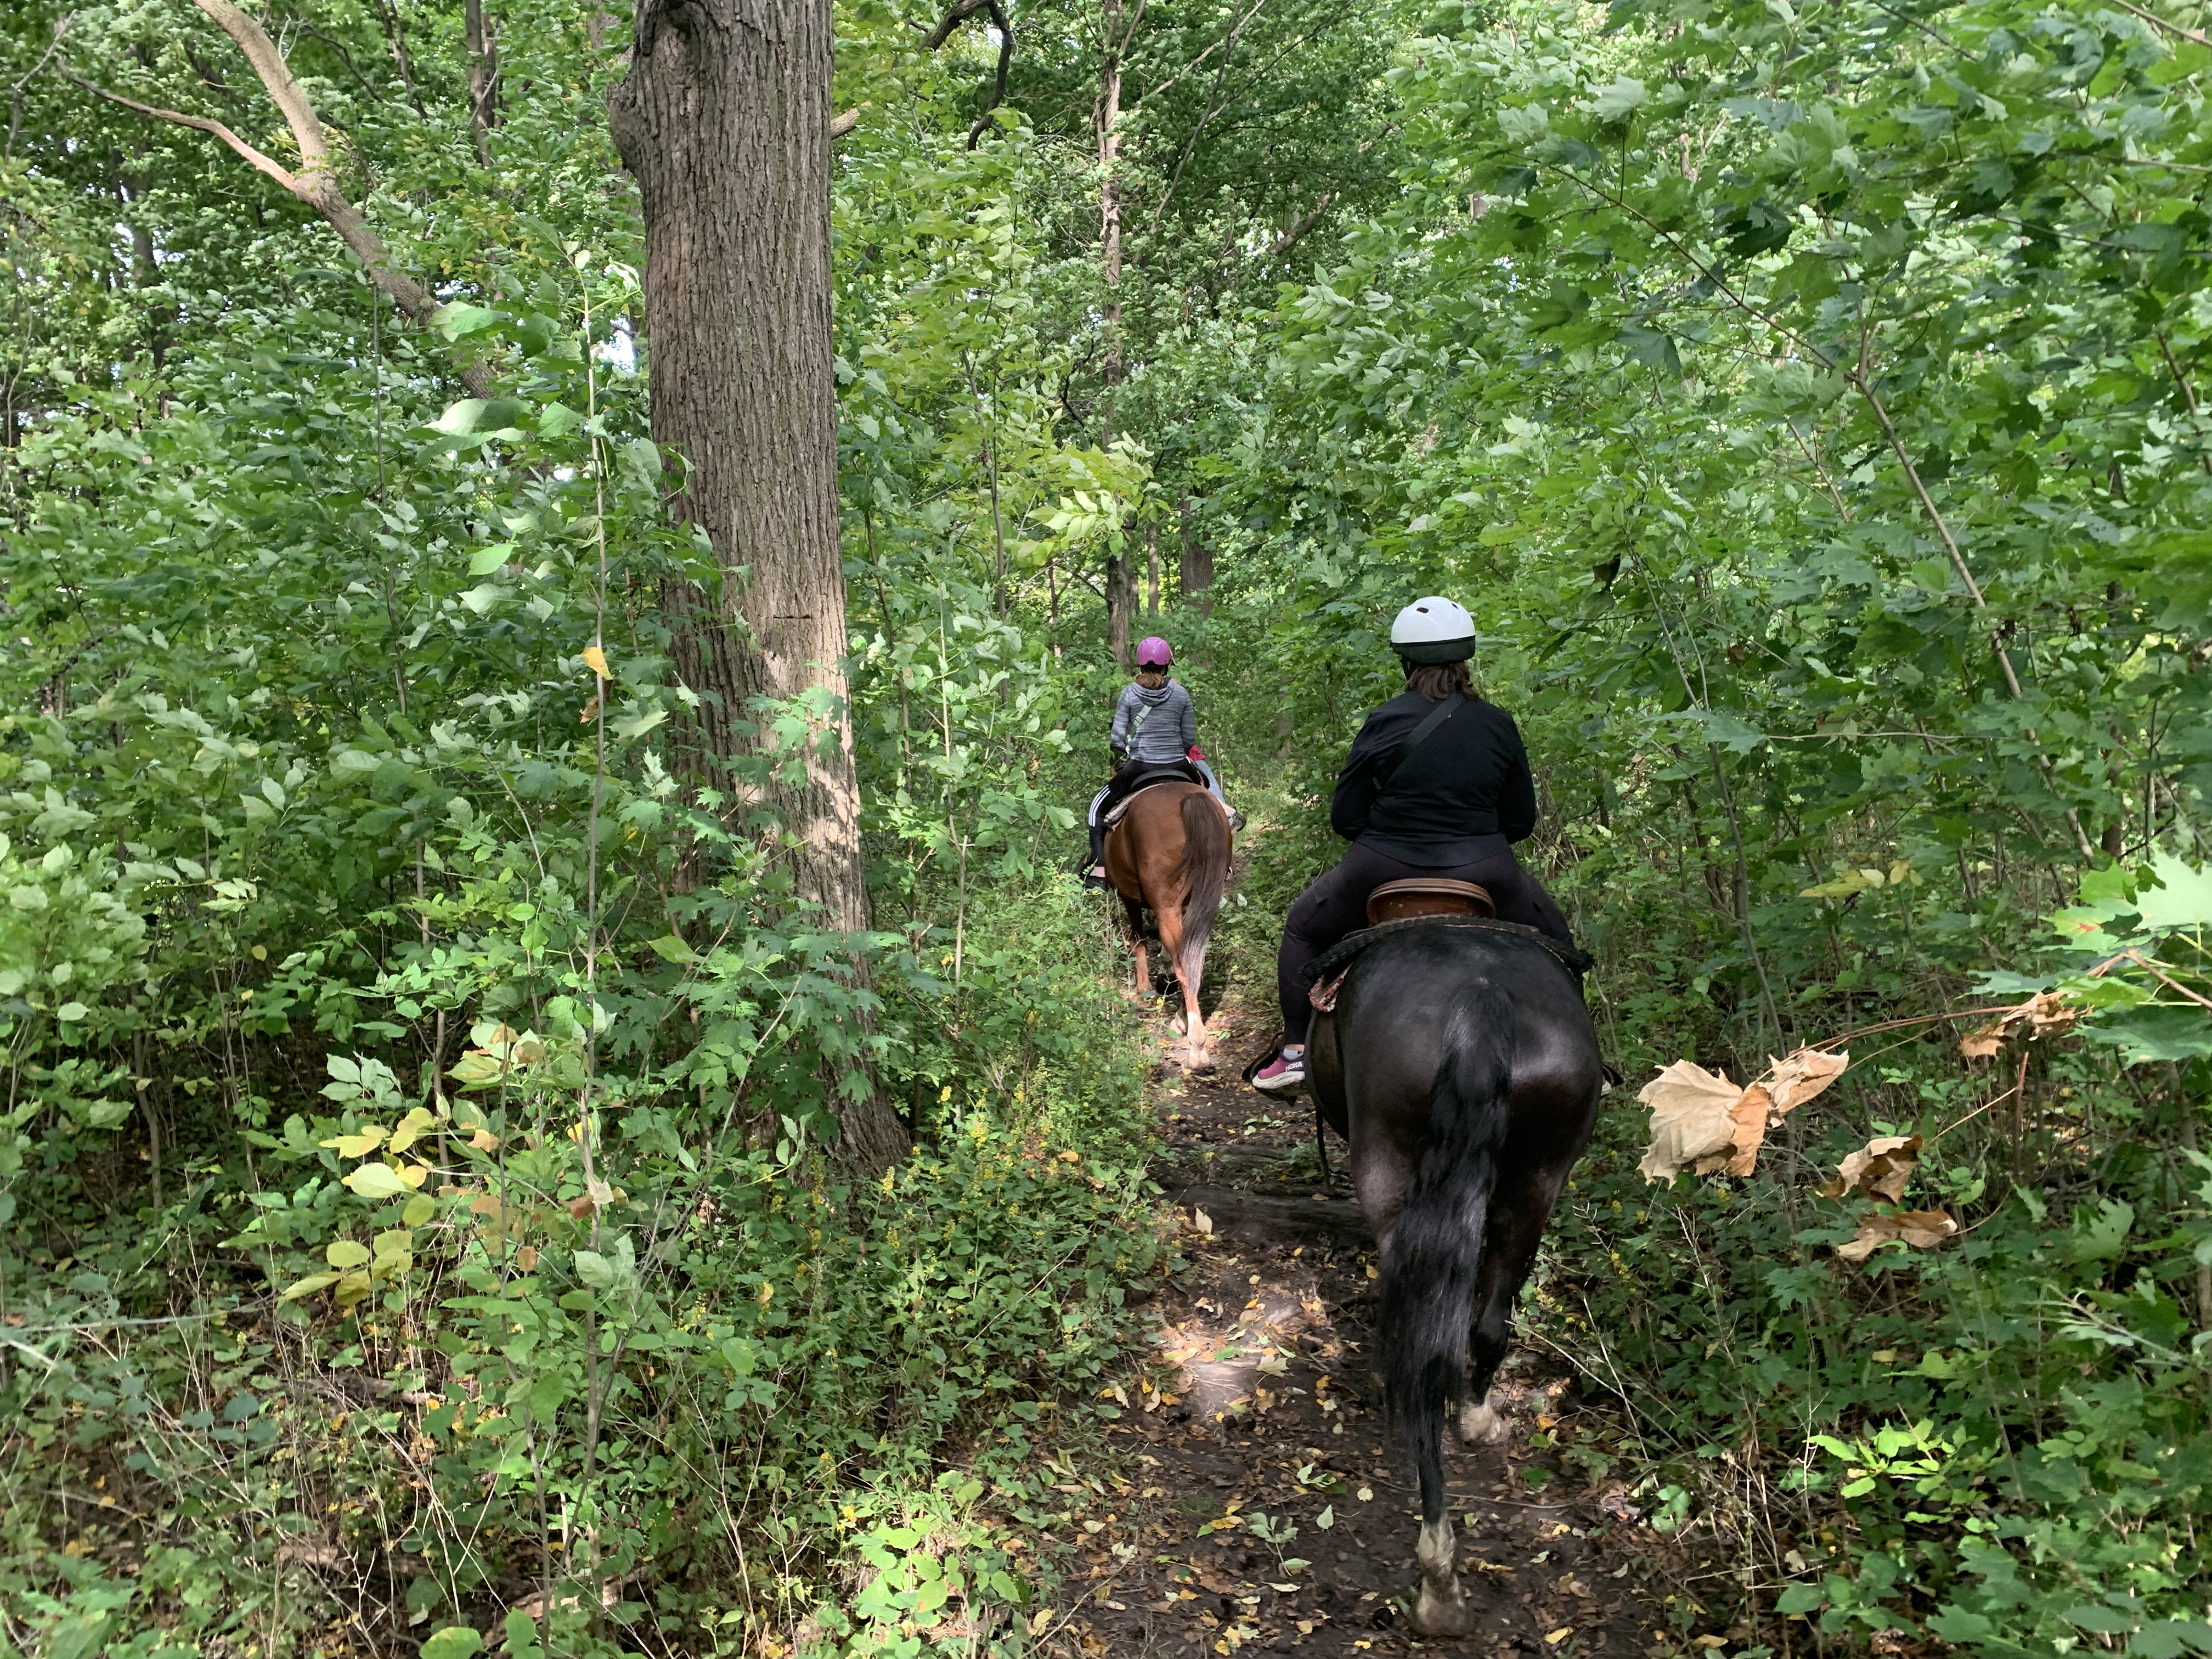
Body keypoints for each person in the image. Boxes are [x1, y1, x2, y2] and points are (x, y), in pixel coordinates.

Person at [1250, 597, 1575, 1092]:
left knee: (1303, 930)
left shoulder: (1384, 721)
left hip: (1380, 867)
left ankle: (1296, 1052)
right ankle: (1584, 1064)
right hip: (1485, 868)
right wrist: (1475, 843)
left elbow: (1346, 817)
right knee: (1559, 941)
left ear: (1405, 661)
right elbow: (1521, 820)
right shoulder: (1497, 724)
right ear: (1464, 660)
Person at [1082, 636, 1209, 889]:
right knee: (1208, 801)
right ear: (1167, 666)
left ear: (1140, 666)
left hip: (1139, 766)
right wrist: (1174, 751)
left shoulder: (1129, 694)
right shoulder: (1180, 694)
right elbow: (1189, 738)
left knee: (1096, 809)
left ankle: (1099, 872)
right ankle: (1218, 863)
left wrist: (1127, 755)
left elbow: (1118, 738)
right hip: (1178, 765)